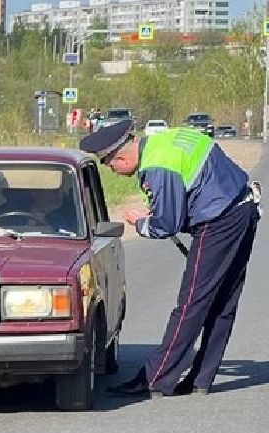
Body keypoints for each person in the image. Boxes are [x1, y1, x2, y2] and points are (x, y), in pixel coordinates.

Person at [83, 118, 260, 397]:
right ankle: (201, 379)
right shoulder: (170, 139)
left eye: (109, 164)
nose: (110, 169)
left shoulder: (157, 165)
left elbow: (166, 224)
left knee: (191, 302)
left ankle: (155, 377)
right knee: (223, 301)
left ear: (122, 155)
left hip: (218, 221)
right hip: (244, 208)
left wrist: (140, 223)